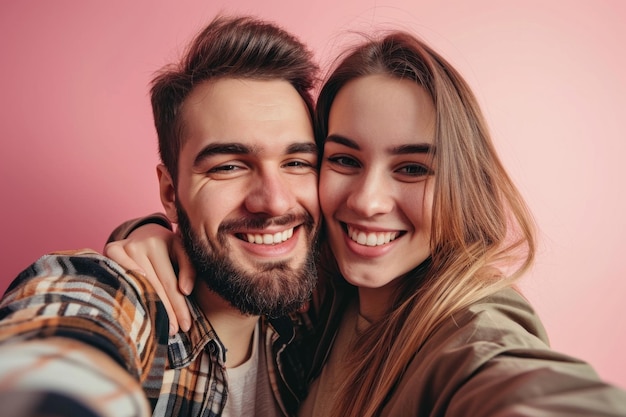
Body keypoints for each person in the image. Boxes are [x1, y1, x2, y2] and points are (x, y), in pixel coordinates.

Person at [105, 29, 626, 416]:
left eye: (413, 168)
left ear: (462, 185)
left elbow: (518, 382)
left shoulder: (469, 333)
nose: (369, 201)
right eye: (344, 160)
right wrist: (156, 234)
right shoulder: (314, 298)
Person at [0, 15, 321, 417]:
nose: (274, 202)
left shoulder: (325, 310)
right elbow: (65, 329)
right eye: (228, 166)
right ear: (171, 193)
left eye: (296, 162)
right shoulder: (112, 296)